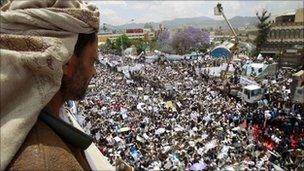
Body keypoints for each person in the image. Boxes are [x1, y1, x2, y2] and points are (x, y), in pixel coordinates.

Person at [0, 0, 114, 170]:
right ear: (66, 62)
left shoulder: (51, 116)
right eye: (92, 62)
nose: (94, 72)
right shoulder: (45, 163)